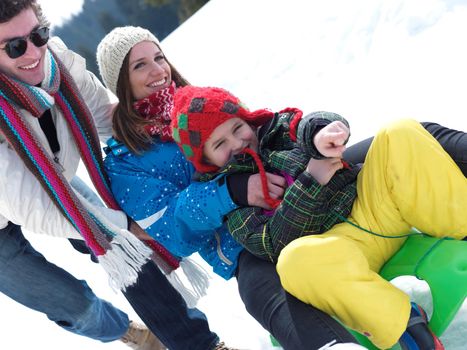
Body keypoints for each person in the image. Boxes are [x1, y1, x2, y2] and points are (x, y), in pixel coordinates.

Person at [96, 26, 466, 350]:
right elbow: (169, 231)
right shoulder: (126, 157)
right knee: (274, 291)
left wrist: (319, 135)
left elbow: (277, 128)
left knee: (408, 135)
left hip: (299, 182)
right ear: (119, 82)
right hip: (246, 238)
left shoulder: (199, 100)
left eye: (158, 57)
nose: (158, 70)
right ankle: (336, 343)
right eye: (139, 64)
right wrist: (232, 191)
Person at [169, 85, 466, 350]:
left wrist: (323, 134)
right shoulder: (233, 202)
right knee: (294, 262)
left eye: (237, 128)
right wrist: (312, 179)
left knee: (399, 133)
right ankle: (403, 323)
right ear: (206, 159)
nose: (236, 143)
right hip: (340, 248)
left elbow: (311, 124)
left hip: (372, 204)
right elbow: (274, 242)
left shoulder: (278, 129)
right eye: (219, 144)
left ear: (247, 119)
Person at [0, 2, 225, 350]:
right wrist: (121, 225)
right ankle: (128, 331)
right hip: (15, 202)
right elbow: (29, 205)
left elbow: (109, 121)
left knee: (124, 249)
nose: (32, 52)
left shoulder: (56, 66)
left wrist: (186, 123)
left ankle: (199, 345)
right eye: (14, 47)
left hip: (48, 173)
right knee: (72, 302)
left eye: (38, 35)